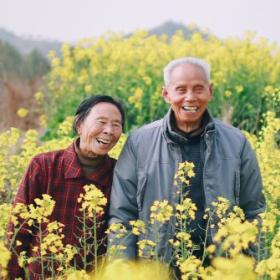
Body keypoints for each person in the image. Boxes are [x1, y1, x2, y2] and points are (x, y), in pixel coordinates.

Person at [108, 57, 265, 262]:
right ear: (166, 94)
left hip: (221, 266)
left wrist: (251, 267)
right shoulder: (139, 142)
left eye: (198, 89)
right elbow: (122, 216)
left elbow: (253, 211)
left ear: (211, 91)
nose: (190, 97)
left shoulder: (237, 142)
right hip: (157, 267)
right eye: (181, 89)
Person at [7, 95, 125, 279]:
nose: (109, 130)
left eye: (116, 125)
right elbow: (17, 230)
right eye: (101, 122)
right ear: (79, 125)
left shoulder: (120, 174)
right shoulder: (44, 165)